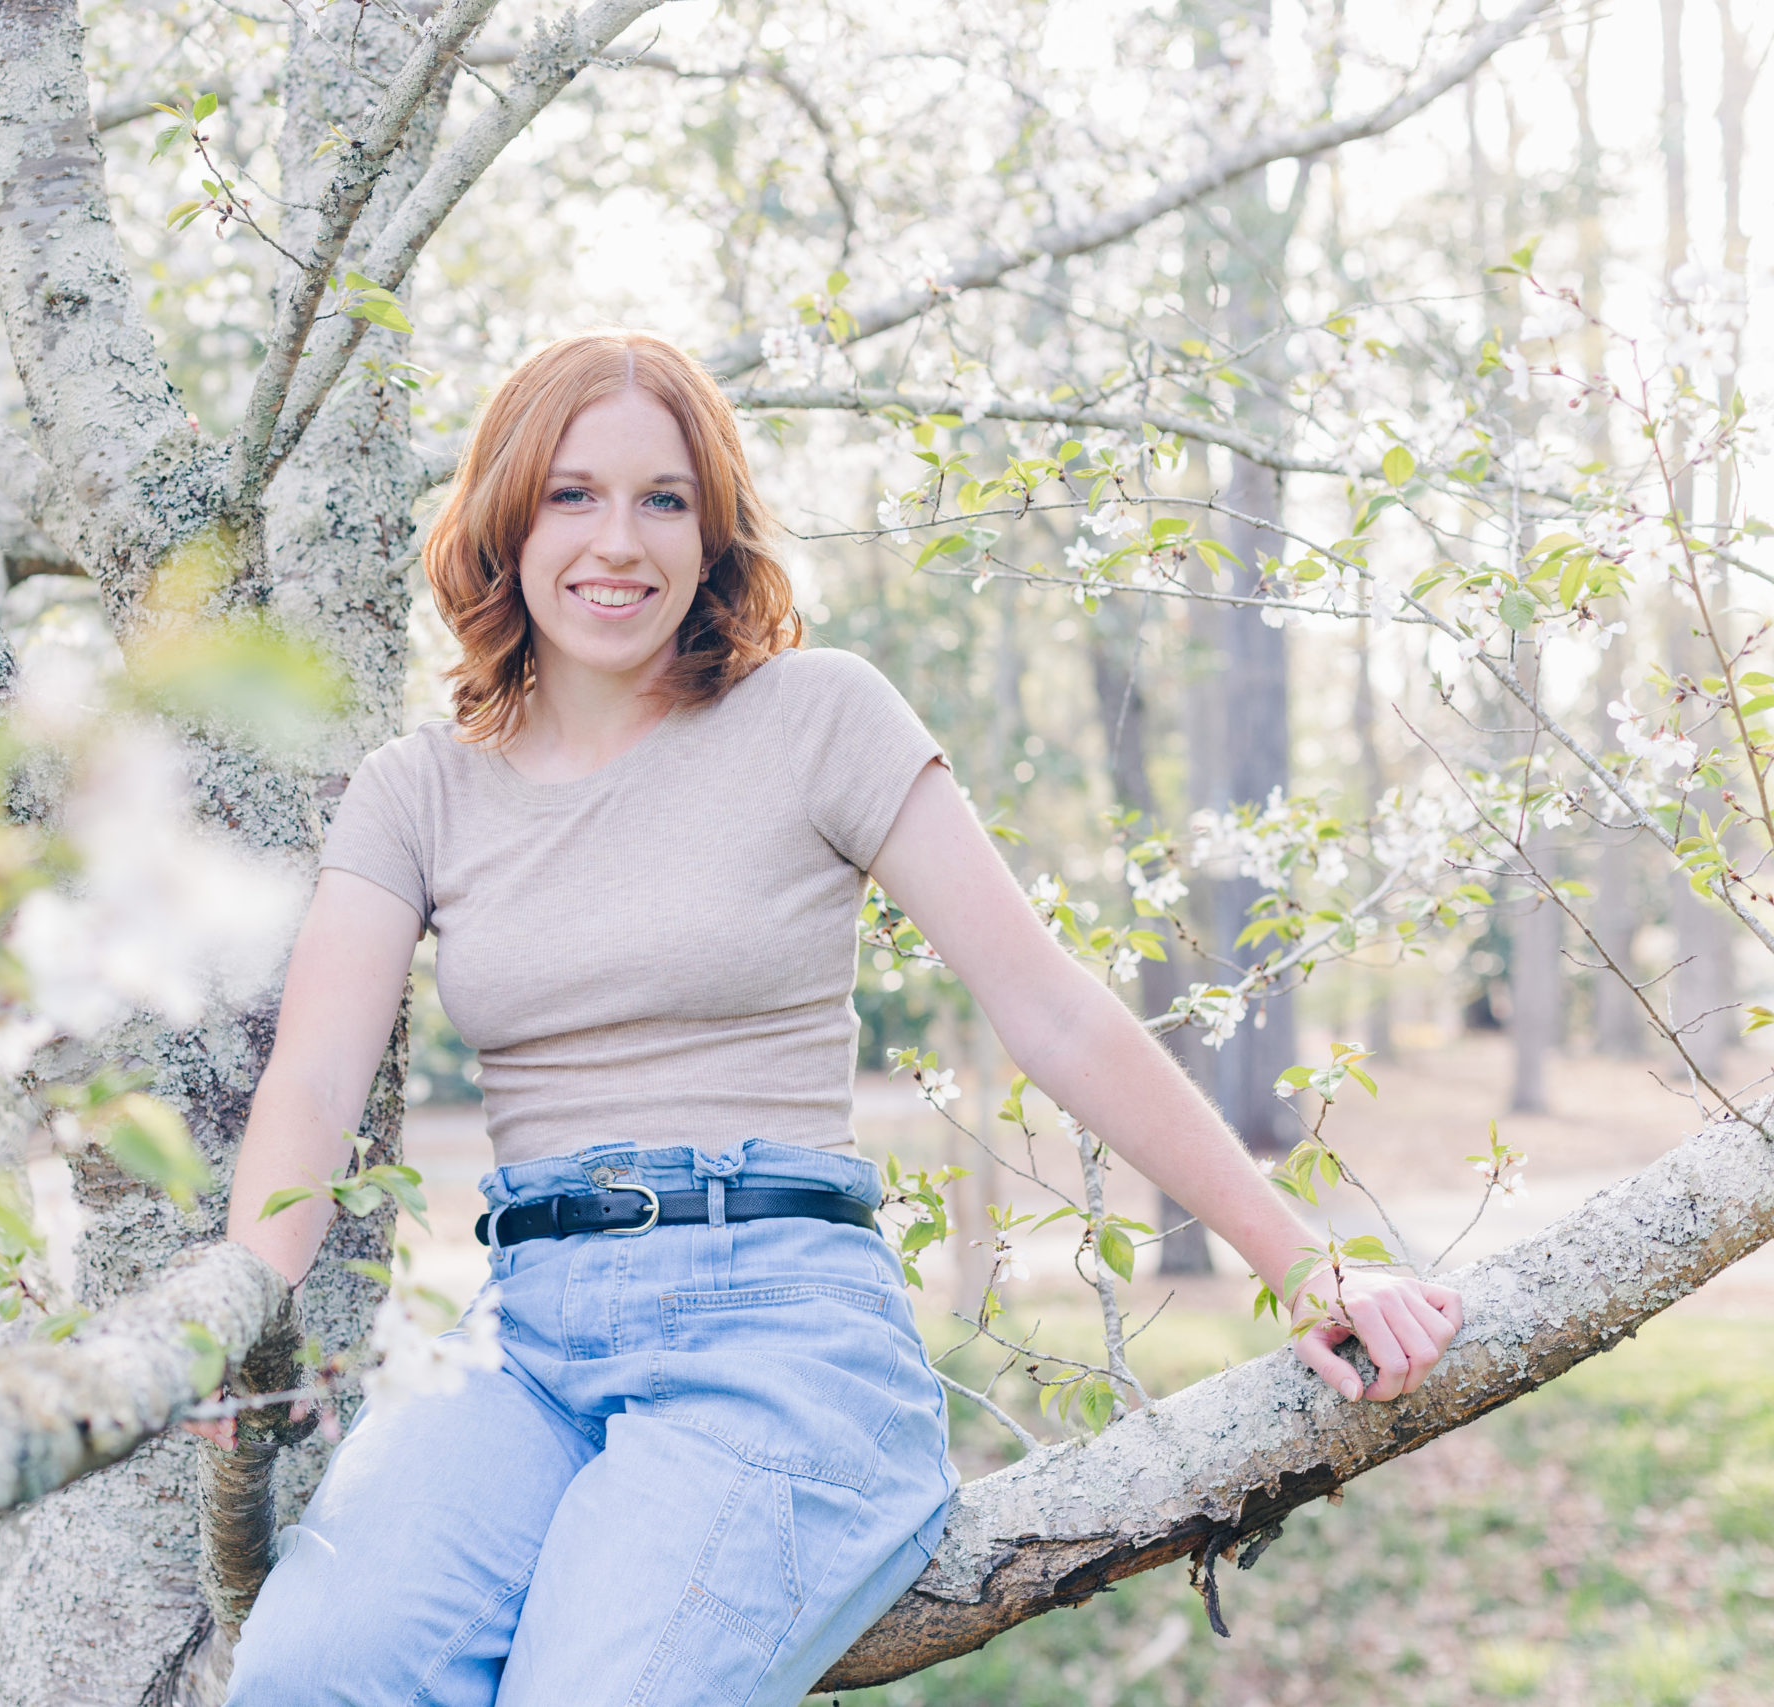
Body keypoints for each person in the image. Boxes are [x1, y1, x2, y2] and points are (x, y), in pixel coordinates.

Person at [212, 330, 1461, 1705]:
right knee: (305, 1673)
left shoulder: (819, 716)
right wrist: (231, 1320)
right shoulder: (419, 790)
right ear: (506, 517)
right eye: (572, 494)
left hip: (781, 1330)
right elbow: (315, 1086)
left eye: (663, 499)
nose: (616, 540)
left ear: (714, 530)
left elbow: (1049, 1009)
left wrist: (1300, 1261)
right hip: (527, 1338)